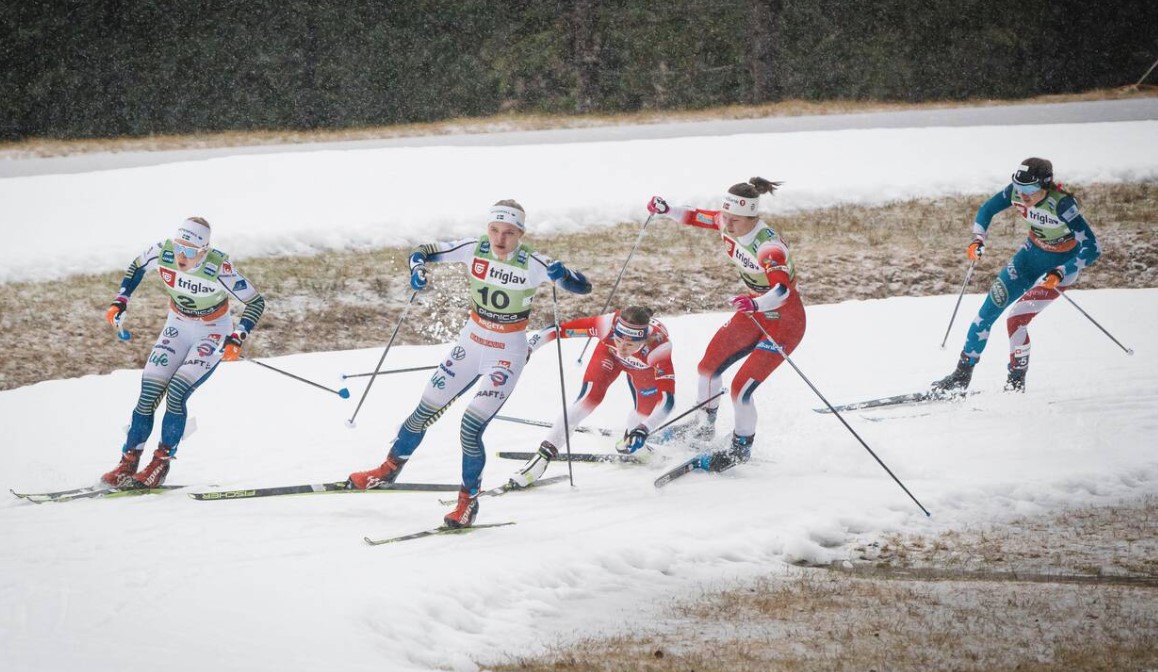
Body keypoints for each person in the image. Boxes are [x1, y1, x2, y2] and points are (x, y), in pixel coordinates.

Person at [347, 200, 591, 528]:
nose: (499, 238)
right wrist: (417, 269)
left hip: (506, 353)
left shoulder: (533, 262)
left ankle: (467, 503)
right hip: (470, 345)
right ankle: (387, 470)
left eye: (508, 232)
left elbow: (582, 287)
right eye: (494, 230)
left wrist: (566, 275)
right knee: (422, 412)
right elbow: (422, 250)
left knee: (470, 428)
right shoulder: (473, 248)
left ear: (520, 233)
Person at [646, 177, 805, 472]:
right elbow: (695, 216)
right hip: (754, 309)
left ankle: (739, 449)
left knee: (741, 389)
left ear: (751, 217)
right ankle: (703, 427)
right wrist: (666, 209)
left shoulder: (767, 246)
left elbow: (782, 290)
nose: (726, 225)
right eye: (726, 218)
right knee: (707, 368)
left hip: (785, 317)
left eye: (734, 221)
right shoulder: (727, 220)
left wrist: (756, 303)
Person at [101, 217, 266, 488]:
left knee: (176, 391)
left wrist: (237, 338)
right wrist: (120, 301)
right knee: (149, 393)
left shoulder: (218, 268)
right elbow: (136, 266)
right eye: (179, 247)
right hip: (177, 325)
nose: (181, 256)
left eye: (190, 251)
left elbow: (256, 302)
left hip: (212, 330)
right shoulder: (162, 252)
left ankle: (160, 463)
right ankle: (128, 462)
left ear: (203, 251)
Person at [933, 158, 1101, 393]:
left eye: (1029, 190)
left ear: (1045, 185)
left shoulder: (1062, 205)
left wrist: (1061, 272)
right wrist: (977, 239)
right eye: (1019, 188)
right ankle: (961, 376)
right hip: (1029, 258)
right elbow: (986, 209)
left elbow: (1093, 247)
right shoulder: (1016, 192)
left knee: (1016, 319)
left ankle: (1016, 382)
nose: (1023, 195)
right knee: (985, 316)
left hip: (1062, 266)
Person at [509, 306, 676, 488]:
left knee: (645, 415)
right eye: (618, 340)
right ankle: (541, 459)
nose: (622, 347)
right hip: (608, 357)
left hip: (643, 368)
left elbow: (668, 401)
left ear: (643, 340)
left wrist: (644, 428)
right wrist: (529, 347)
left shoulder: (659, 347)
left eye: (630, 344)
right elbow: (558, 330)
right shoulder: (606, 325)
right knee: (588, 400)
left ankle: (632, 440)